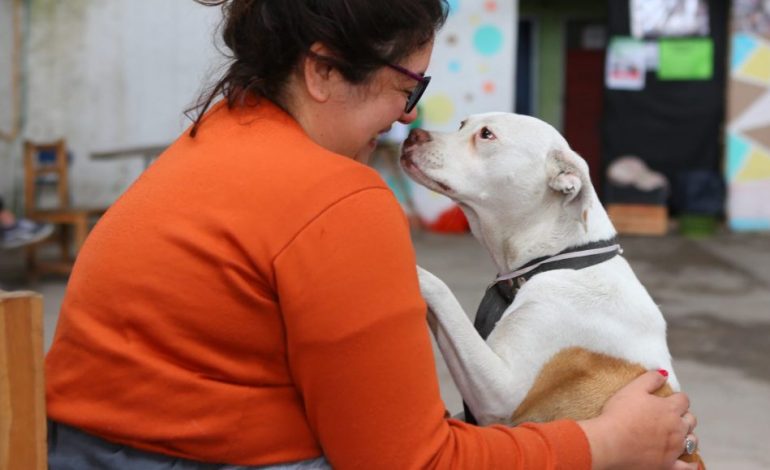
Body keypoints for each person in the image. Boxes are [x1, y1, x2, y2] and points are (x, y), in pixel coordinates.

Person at [45, 1, 699, 469]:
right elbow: (411, 462)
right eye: (407, 87)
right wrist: (609, 445)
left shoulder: (202, 146)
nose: (407, 118)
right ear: (323, 72)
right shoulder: (338, 202)